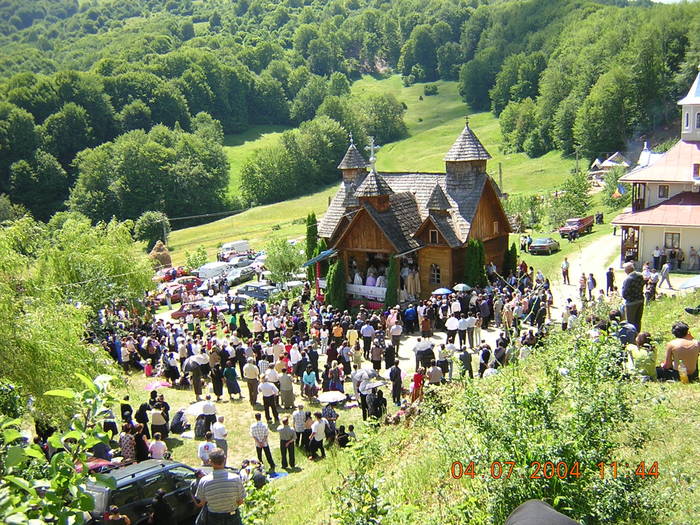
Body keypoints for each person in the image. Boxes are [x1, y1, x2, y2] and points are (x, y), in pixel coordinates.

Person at [194, 448, 246, 525]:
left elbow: (201, 503)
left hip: (213, 517)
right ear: (224, 459)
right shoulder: (236, 479)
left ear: (210, 462)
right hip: (232, 515)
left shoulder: (204, 481)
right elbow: (241, 501)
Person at [621, 262, 645, 330]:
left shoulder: (628, 279)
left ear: (628, 270)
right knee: (638, 320)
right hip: (640, 300)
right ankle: (638, 336)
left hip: (631, 302)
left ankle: (631, 337)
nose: (624, 271)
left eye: (625, 269)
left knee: (630, 322)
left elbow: (624, 293)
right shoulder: (640, 275)